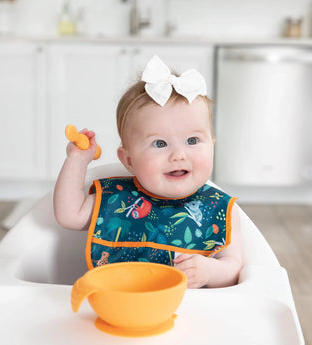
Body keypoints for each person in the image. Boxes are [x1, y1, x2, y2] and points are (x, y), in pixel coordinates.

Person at [54, 55, 243, 288]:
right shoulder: (117, 200)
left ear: (212, 144)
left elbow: (234, 268)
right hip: (118, 310)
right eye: (160, 144)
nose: (178, 155)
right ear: (129, 160)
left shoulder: (220, 209)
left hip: (188, 315)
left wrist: (209, 270)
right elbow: (68, 214)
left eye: (192, 140)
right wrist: (77, 161)